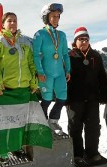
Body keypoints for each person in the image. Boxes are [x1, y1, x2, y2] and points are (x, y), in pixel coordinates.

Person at [0, 12, 39, 156]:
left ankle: (17, 148)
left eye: (15, 20)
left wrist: (34, 83)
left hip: (23, 90)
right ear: (3, 24)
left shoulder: (25, 41)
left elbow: (31, 64)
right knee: (5, 125)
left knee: (20, 123)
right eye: (9, 21)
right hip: (6, 91)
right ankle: (2, 153)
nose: (13, 23)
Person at [67, 27, 107, 162]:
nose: (84, 42)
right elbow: (64, 78)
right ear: (75, 41)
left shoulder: (96, 56)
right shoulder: (69, 56)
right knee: (75, 127)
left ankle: (92, 152)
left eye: (86, 39)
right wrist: (63, 97)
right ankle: (77, 154)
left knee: (93, 127)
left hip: (92, 99)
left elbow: (102, 77)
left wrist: (104, 94)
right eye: (80, 39)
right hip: (74, 99)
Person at [33, 3, 71, 135]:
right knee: (47, 99)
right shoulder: (40, 34)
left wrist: (68, 70)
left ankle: (53, 121)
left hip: (60, 73)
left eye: (58, 16)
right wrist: (40, 72)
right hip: (46, 73)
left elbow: (65, 54)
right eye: (53, 16)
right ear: (46, 17)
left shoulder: (63, 35)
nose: (56, 18)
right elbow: (36, 55)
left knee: (62, 98)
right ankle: (42, 123)